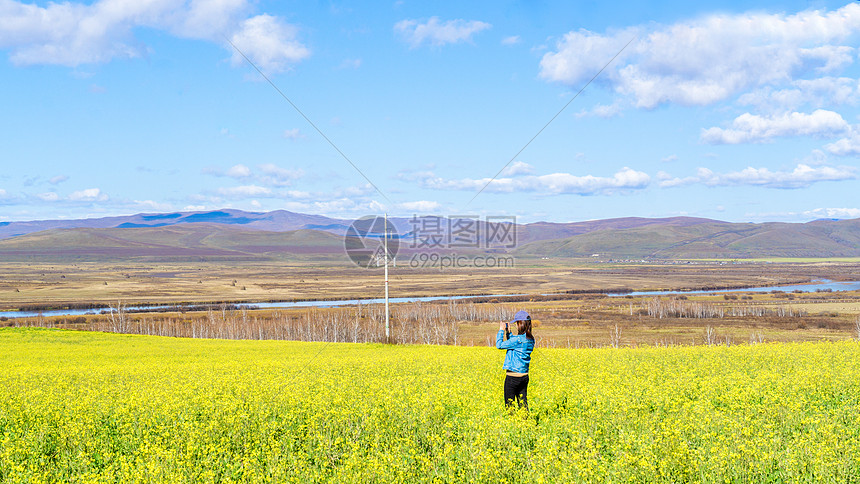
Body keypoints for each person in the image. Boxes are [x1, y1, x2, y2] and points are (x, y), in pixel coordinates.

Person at [496, 309, 535, 410]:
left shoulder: (517, 340)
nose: (516, 325)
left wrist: (501, 330)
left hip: (513, 378)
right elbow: (515, 343)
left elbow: (499, 345)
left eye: (517, 323)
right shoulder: (531, 339)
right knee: (523, 404)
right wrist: (508, 333)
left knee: (509, 406)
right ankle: (526, 424)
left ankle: (513, 424)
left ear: (520, 324)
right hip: (524, 377)